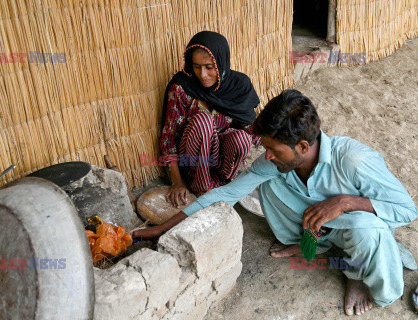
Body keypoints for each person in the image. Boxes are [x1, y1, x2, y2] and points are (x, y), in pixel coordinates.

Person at [133, 89, 418, 316]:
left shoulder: (354, 160)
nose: (266, 154)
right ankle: (314, 244)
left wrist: (344, 202)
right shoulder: (278, 161)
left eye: (273, 149)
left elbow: (407, 210)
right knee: (264, 180)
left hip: (358, 231)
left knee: (362, 228)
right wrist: (160, 229)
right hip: (319, 229)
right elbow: (224, 194)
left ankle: (356, 274)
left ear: (303, 147)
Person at [158, 31, 261, 207]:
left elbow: (253, 130)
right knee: (203, 122)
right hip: (191, 161)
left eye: (209, 67)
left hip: (221, 162)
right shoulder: (182, 87)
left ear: (221, 63)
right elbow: (169, 139)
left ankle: (223, 183)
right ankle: (202, 188)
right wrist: (176, 182)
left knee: (242, 138)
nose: (203, 74)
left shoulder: (239, 85)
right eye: (196, 67)